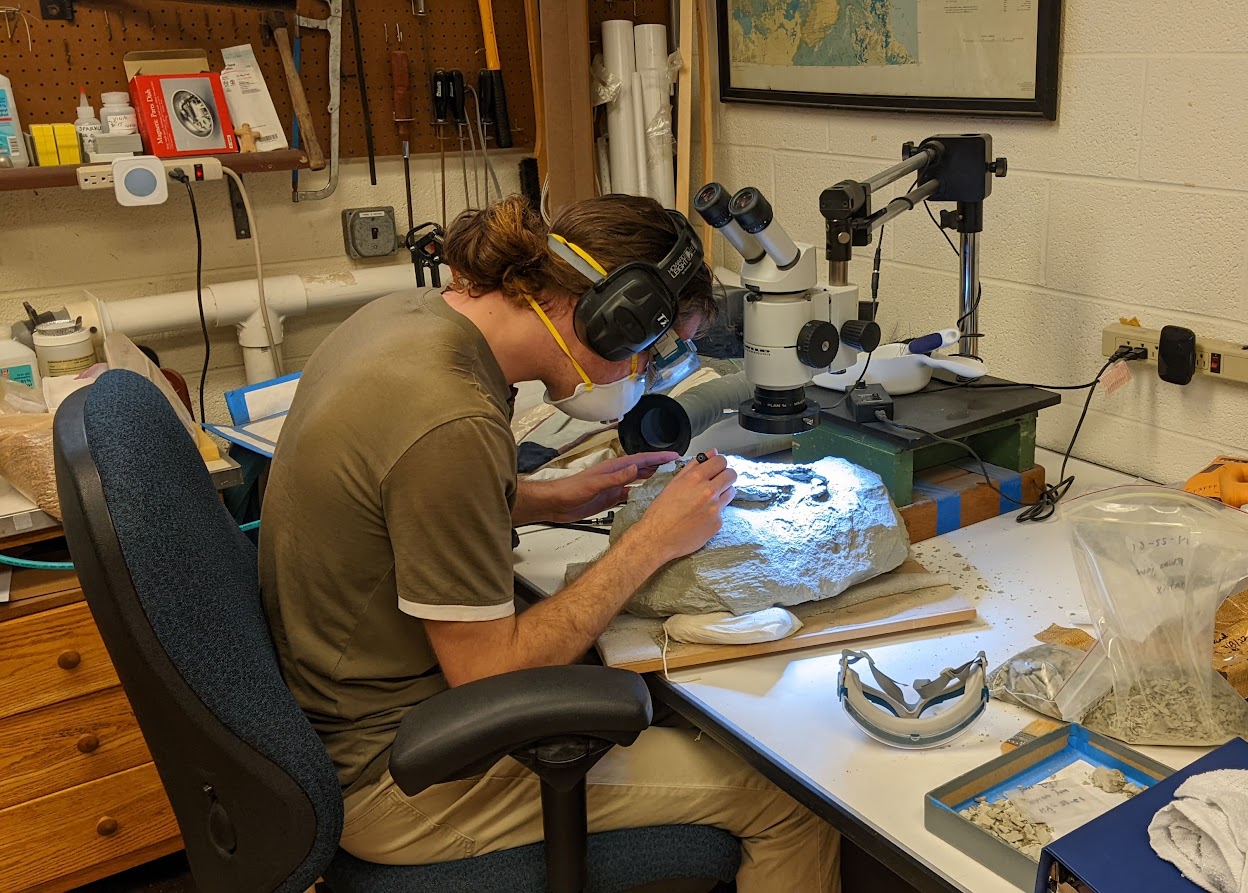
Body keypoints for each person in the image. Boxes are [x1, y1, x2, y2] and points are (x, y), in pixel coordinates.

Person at [260, 193, 839, 892]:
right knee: (790, 797)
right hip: (405, 776)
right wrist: (648, 542)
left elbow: (399, 496)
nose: (646, 374)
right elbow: (488, 675)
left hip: (341, 717)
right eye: (651, 351)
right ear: (611, 313)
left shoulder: (406, 323)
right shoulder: (449, 417)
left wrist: (542, 496)